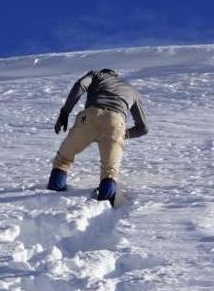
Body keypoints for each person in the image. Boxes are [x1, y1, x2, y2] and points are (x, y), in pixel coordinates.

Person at [46, 68, 148, 204]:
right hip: (115, 121)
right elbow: (143, 128)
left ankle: (51, 196)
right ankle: (104, 205)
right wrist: (123, 134)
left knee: (63, 159)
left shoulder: (97, 75)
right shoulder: (131, 90)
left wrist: (65, 112)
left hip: (89, 117)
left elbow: (81, 85)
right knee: (110, 170)